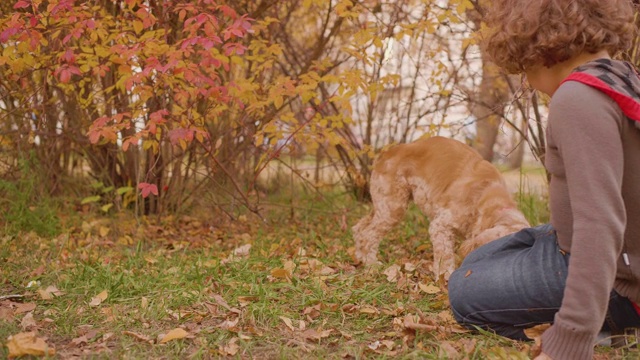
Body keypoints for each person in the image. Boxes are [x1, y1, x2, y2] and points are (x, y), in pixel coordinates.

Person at [447, 1, 640, 359]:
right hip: (579, 244)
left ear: (541, 47)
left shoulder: (577, 99)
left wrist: (572, 336)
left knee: (464, 291)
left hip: (619, 282)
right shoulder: (619, 75)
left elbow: (600, 225)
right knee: (482, 255)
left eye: (523, 66)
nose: (526, 79)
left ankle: (608, 327)